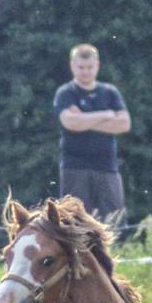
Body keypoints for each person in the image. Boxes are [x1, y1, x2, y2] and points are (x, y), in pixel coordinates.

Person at [52, 44, 131, 225]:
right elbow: (70, 123)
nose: (85, 72)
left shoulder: (110, 92)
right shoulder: (65, 93)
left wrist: (83, 119)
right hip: (75, 167)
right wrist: (105, 115)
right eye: (81, 67)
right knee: (74, 222)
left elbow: (124, 124)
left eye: (89, 67)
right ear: (72, 65)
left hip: (107, 167)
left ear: (97, 65)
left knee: (115, 223)